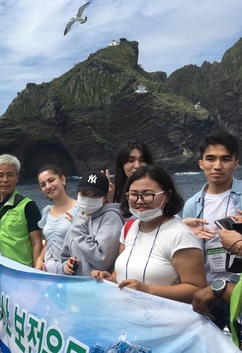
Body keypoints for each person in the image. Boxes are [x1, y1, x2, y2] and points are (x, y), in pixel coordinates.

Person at [91, 165, 207, 304]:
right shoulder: (130, 228)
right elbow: (121, 275)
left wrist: (147, 290)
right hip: (128, 318)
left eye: (147, 194)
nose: (139, 201)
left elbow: (198, 289)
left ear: (168, 196)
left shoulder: (180, 235)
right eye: (133, 194)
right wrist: (110, 279)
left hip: (164, 321)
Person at [182, 130, 242, 329]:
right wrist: (182, 230)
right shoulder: (192, 205)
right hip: (206, 292)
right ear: (201, 164)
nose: (217, 165)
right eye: (210, 159)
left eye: (225, 159)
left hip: (237, 289)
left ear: (236, 163)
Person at [0, 154, 43, 268]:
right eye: (0, 175)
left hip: (19, 269)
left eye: (10, 175)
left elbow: (36, 243)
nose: (5, 180)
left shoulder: (28, 206)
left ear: (17, 177)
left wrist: (36, 271)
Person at [61, 171, 123, 276]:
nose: (89, 198)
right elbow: (65, 256)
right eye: (84, 194)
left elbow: (102, 260)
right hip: (76, 288)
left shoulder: (111, 219)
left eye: (95, 195)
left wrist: (77, 227)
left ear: (105, 198)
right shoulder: (78, 219)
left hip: (100, 288)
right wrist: (66, 266)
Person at [36, 165, 77, 274]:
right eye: (43, 185)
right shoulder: (47, 212)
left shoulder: (79, 209)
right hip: (47, 269)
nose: (48, 186)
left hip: (70, 269)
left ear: (62, 179)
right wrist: (39, 259)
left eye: (51, 180)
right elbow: (49, 242)